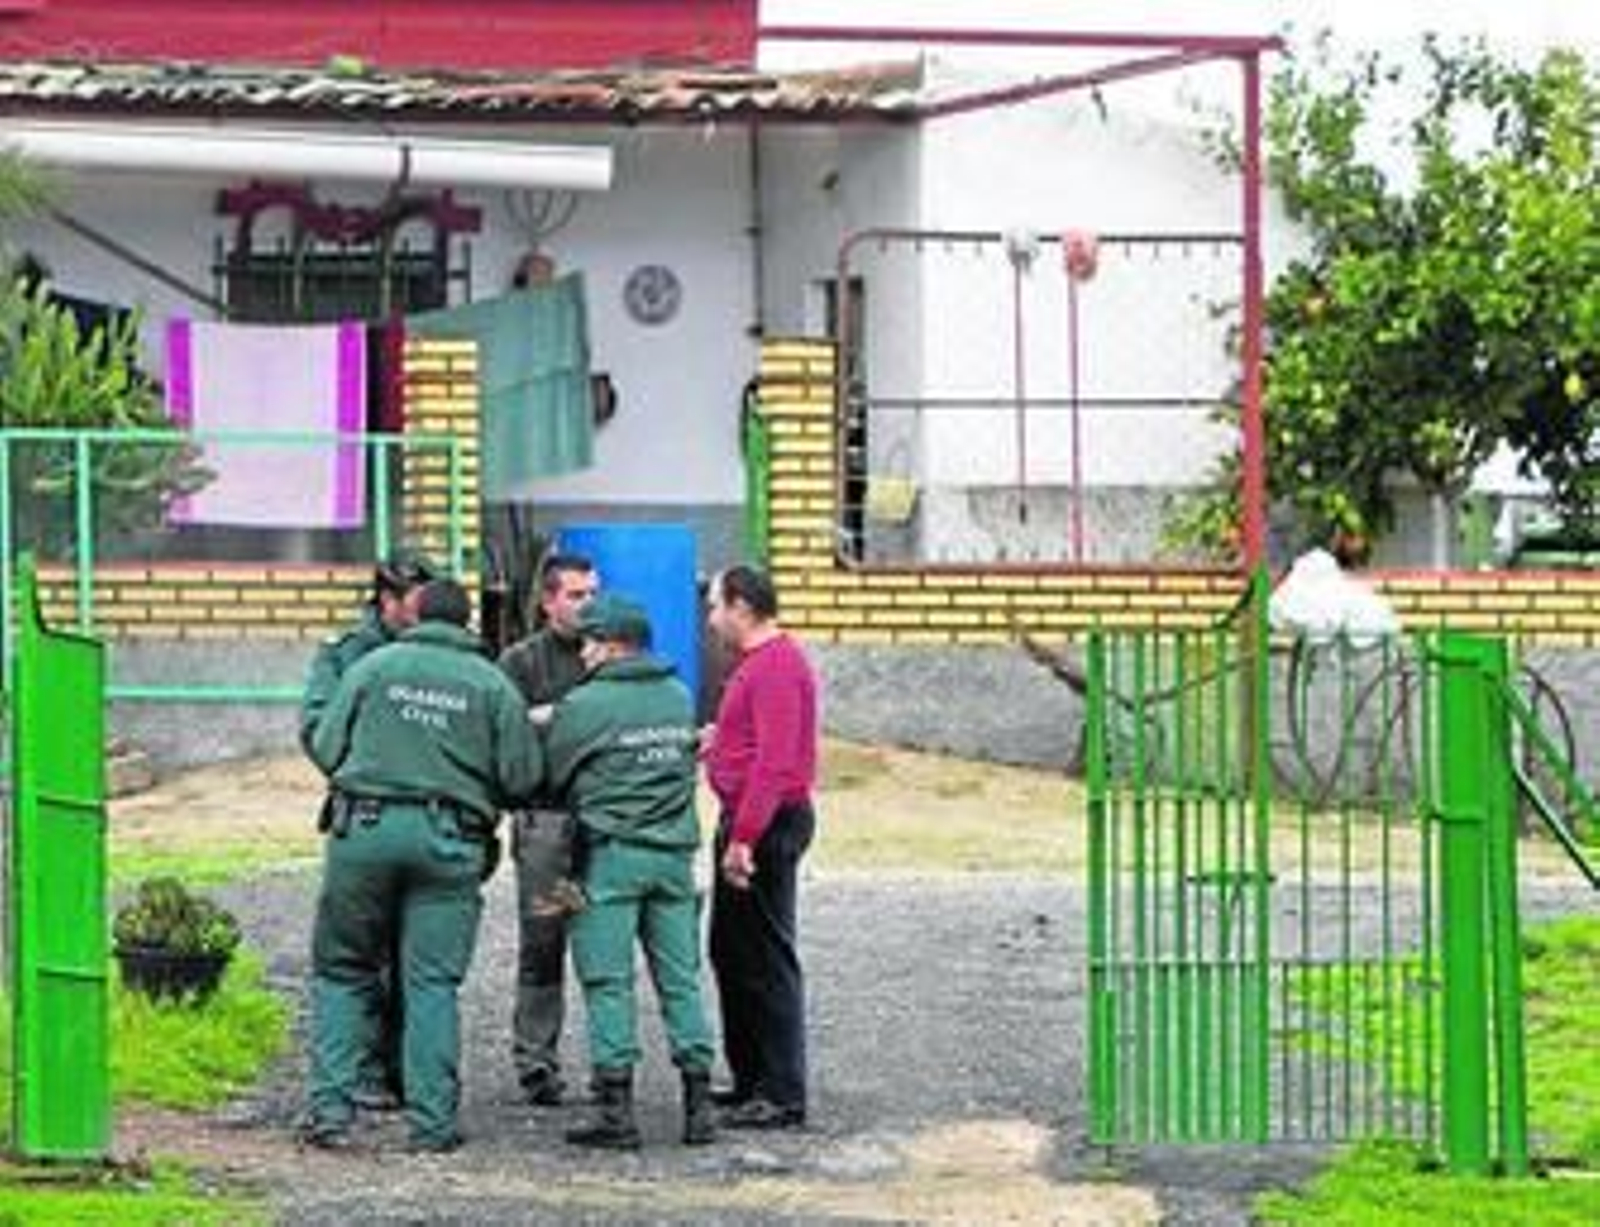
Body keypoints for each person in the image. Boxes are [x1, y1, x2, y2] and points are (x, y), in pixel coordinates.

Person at [301, 578, 540, 1153]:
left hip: (366, 832)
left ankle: (331, 1112)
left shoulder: (374, 667)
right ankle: (431, 1124)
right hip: (450, 843)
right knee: (431, 982)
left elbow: (327, 746)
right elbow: (522, 779)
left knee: (343, 972)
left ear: (416, 616)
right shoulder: (492, 683)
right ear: (466, 624)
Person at [547, 593, 716, 1149]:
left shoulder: (585, 703)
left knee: (607, 981)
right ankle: (699, 1106)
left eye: (590, 642)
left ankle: (617, 1113)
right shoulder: (676, 694)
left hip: (608, 860)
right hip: (673, 858)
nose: (584, 653)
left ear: (615, 646)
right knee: (681, 981)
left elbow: (554, 773)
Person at [298, 548, 440, 1109]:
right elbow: (317, 729)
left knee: (418, 955)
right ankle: (362, 1069)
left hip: (429, 814)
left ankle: (407, 1069)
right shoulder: (345, 655)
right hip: (368, 814)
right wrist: (373, 772)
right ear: (387, 602)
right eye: (416, 600)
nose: (426, 610)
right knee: (360, 954)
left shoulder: (438, 651)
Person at [702, 565, 819, 1130]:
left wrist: (744, 838)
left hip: (766, 823)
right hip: (751, 816)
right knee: (731, 951)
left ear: (741, 607)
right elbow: (753, 744)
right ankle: (750, 1080)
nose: (709, 618)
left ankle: (780, 1092)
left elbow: (774, 763)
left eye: (715, 606)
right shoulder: (757, 665)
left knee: (766, 957)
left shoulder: (775, 666)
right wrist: (718, 742)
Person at [496, 552, 599, 1105]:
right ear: (548, 601)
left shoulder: (611, 653)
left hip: (605, 823)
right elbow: (504, 737)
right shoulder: (520, 662)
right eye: (576, 595)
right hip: (547, 824)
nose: (587, 604)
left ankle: (613, 1066)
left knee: (606, 942)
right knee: (543, 942)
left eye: (592, 593)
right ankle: (536, 1061)